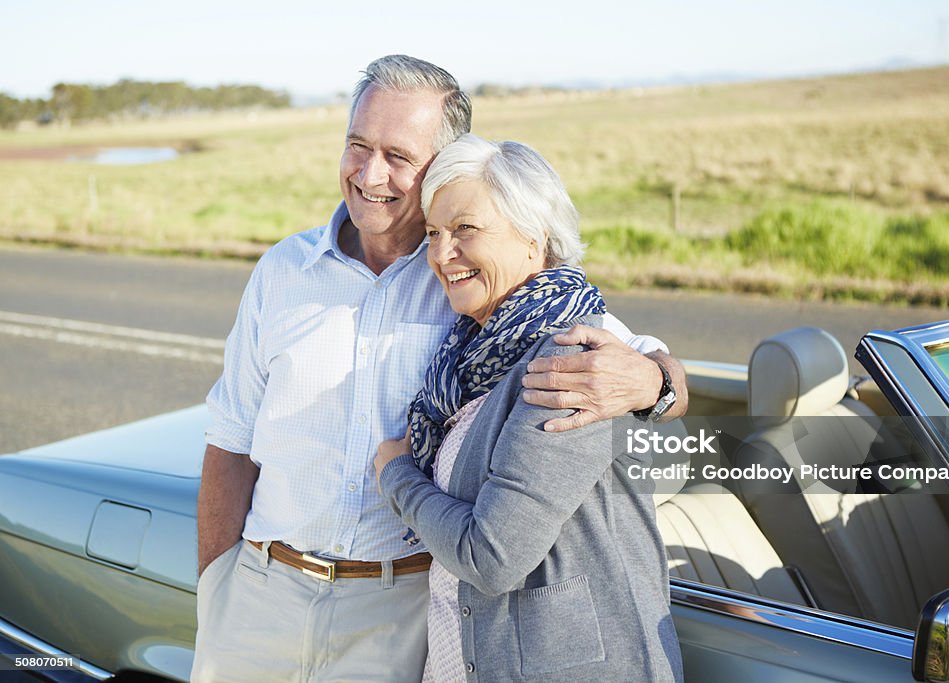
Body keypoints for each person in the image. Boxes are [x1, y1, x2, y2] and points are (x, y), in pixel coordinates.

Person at [193, 55, 688, 683]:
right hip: (260, 598)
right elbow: (232, 440)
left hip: (399, 616)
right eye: (357, 145)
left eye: (399, 156)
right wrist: (218, 589)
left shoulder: (476, 285)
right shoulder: (282, 272)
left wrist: (655, 380)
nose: (371, 173)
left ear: (441, 168)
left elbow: (638, 362)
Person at [374, 134, 683, 682]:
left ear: (535, 238)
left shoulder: (572, 358)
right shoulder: (473, 349)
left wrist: (397, 475)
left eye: (465, 230)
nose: (442, 255)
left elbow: (491, 557)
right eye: (433, 234)